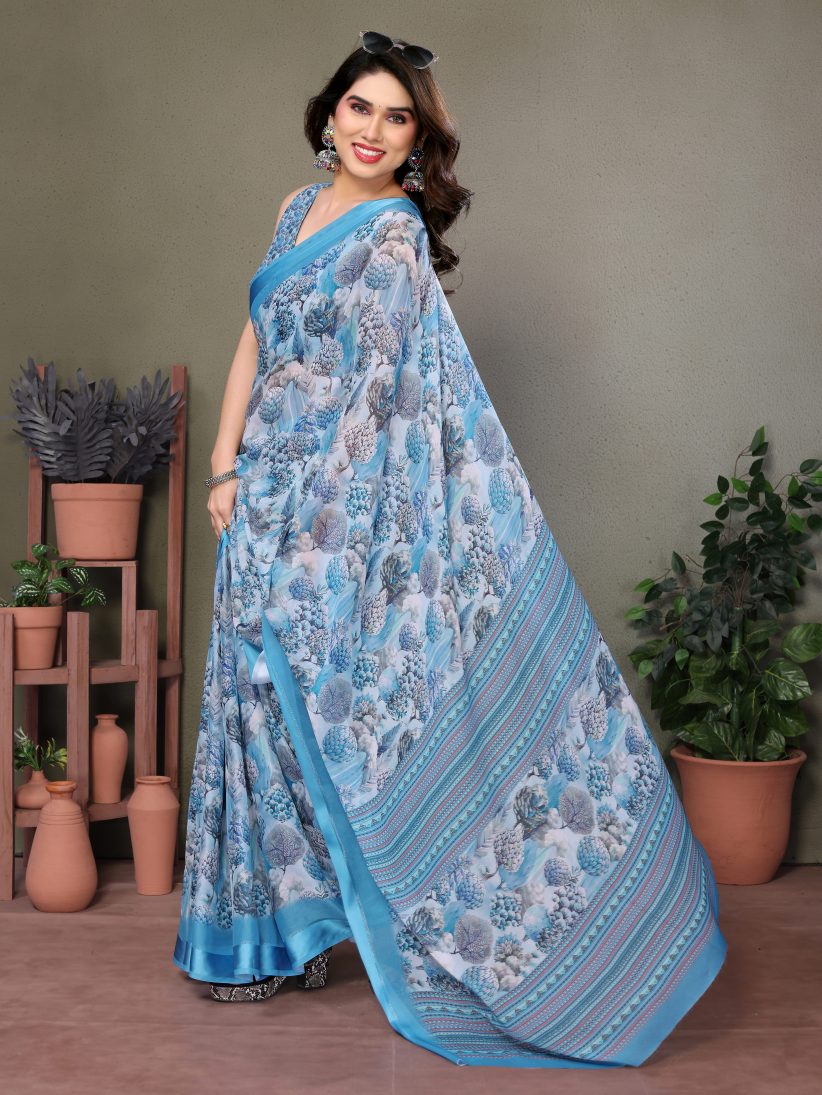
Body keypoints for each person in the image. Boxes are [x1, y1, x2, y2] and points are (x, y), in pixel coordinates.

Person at [173, 30, 727, 1067]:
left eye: (398, 118)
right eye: (360, 108)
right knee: (252, 707)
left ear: (416, 141)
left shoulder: (392, 239)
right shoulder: (295, 210)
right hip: (254, 489)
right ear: (330, 113)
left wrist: (308, 525)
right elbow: (255, 334)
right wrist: (222, 465)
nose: (374, 131)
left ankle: (390, 930)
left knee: (328, 707)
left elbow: (377, 401)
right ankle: (280, 933)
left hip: (326, 510)